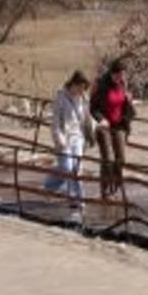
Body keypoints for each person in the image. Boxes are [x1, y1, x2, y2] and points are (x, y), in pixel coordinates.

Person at [43, 70, 93, 208]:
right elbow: (55, 121)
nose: (81, 91)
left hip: (78, 137)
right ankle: (49, 185)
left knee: (76, 168)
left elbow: (86, 119)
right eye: (80, 88)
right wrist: (59, 139)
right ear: (74, 84)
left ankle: (77, 199)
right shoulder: (60, 96)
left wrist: (94, 129)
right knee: (66, 167)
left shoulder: (83, 98)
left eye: (84, 89)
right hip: (64, 137)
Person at [90, 58, 135, 199]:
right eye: (118, 75)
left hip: (119, 126)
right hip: (104, 126)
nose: (120, 78)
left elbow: (129, 110)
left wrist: (129, 104)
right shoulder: (102, 87)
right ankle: (105, 190)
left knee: (120, 159)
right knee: (107, 159)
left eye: (123, 75)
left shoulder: (123, 86)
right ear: (111, 74)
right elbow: (92, 107)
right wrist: (101, 119)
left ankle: (116, 188)